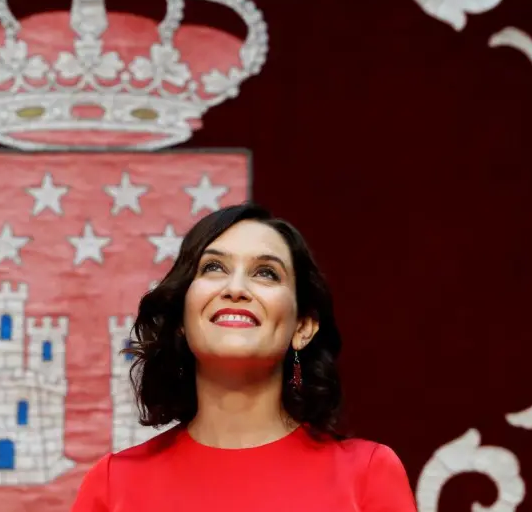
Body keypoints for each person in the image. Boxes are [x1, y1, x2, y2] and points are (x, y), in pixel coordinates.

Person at [71, 202, 416, 511]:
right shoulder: (114, 484)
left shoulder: (366, 474)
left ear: (303, 327)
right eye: (213, 267)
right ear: (180, 320)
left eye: (266, 273)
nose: (235, 289)